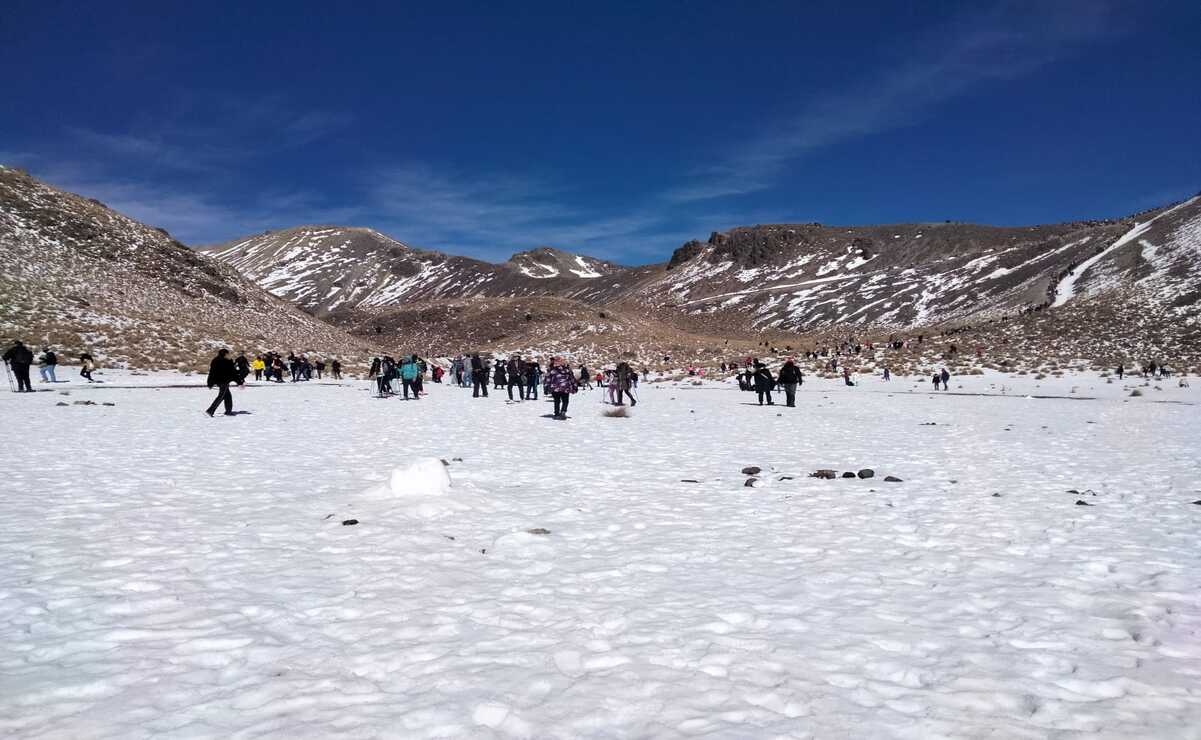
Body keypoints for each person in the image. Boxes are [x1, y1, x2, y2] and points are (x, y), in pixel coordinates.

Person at [205, 349, 243, 416]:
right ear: (225, 354)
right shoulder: (227, 362)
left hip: (218, 381)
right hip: (224, 381)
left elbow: (211, 373)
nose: (229, 355)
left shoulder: (215, 360)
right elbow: (233, 373)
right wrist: (239, 382)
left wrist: (210, 382)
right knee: (221, 396)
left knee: (227, 396)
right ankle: (210, 410)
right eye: (228, 354)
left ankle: (228, 411)